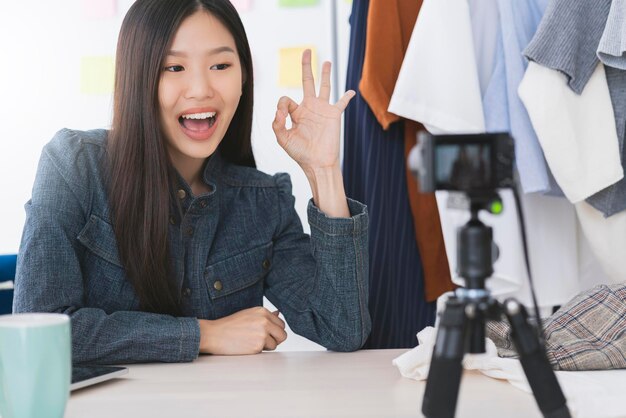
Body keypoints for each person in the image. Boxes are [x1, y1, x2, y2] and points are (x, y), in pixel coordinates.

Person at [13, 0, 370, 364]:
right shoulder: (74, 166)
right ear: (138, 78)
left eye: (220, 65)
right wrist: (204, 333)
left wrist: (323, 170)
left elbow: (341, 327)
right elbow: (40, 331)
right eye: (174, 67)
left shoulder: (263, 202)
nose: (200, 89)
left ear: (244, 77)